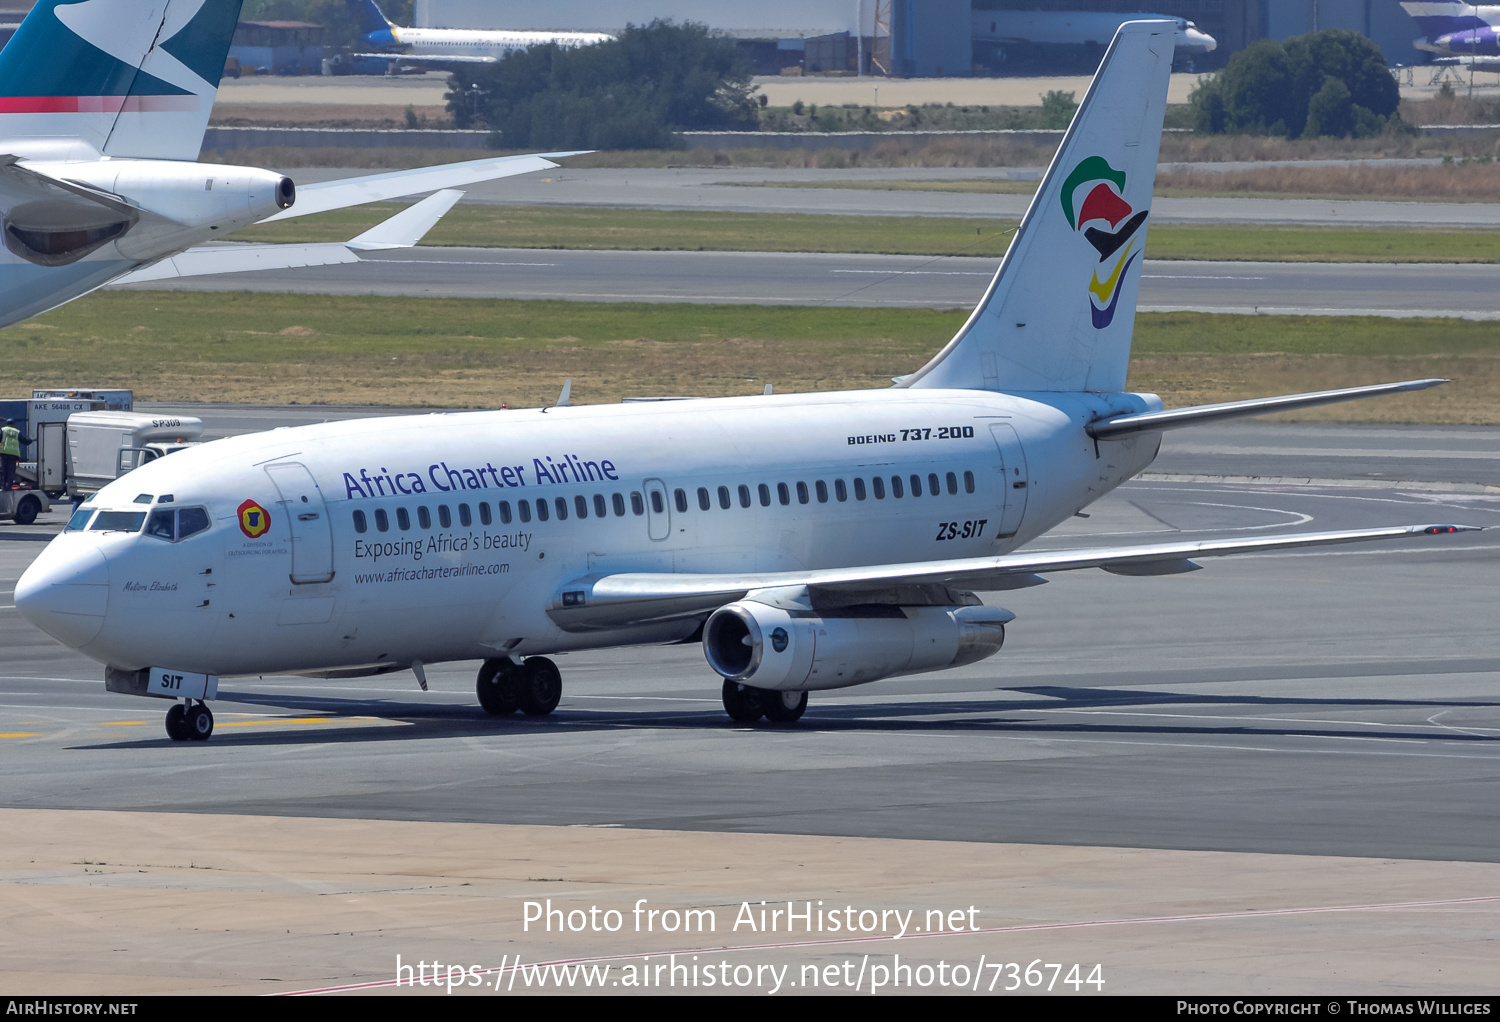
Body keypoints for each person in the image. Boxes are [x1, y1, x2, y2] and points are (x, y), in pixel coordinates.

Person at [1, 418, 27, 492]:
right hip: (13, 455)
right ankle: (8, 486)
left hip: (4, 453)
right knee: (11, 471)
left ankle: (3, 486)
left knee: (4, 470)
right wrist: (31, 440)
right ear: (13, 424)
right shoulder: (17, 432)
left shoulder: (3, 430)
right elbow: (24, 440)